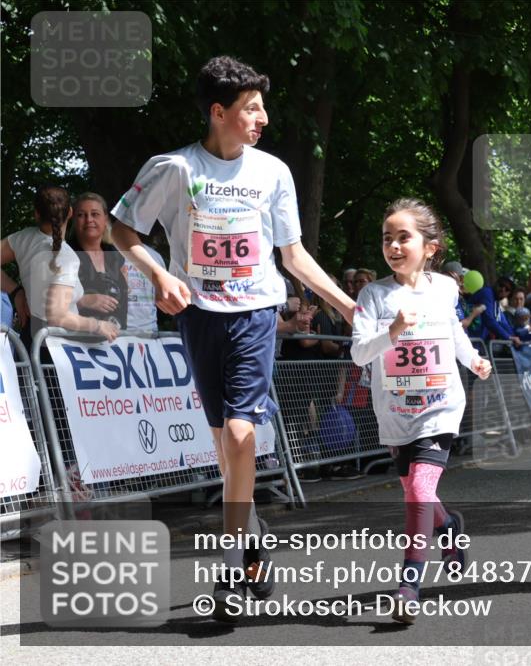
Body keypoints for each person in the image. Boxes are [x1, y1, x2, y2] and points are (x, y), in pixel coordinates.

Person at [109, 56, 355, 623]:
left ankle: (228, 561)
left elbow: (291, 254)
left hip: (255, 314)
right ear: (218, 113)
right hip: (199, 317)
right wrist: (161, 275)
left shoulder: (273, 173)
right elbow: (124, 230)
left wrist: (345, 305)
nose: (262, 117)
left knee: (243, 431)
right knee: (226, 446)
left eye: (262, 106)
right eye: (251, 108)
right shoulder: (173, 168)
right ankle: (251, 533)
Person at [350, 198, 491, 624]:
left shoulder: (445, 288)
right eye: (386, 239)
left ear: (429, 247)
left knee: (417, 491)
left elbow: (452, 332)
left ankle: (409, 585)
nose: (392, 245)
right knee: (418, 490)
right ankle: (447, 527)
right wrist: (393, 330)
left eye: (403, 237)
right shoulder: (373, 295)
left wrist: (473, 360)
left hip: (441, 406)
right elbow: (359, 354)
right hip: (395, 412)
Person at [2, 185, 119, 346]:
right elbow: (57, 316)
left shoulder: (23, 238)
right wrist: (99, 326)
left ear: (36, 214)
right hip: (57, 348)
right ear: (70, 212)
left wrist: (16, 292)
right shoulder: (66, 257)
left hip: (30, 339)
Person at [67, 192, 130, 330]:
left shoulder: (116, 255)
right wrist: (82, 301)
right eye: (81, 215)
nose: (89, 219)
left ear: (105, 219)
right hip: (75, 343)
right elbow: (46, 301)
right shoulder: (65, 253)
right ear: (73, 220)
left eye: (95, 214)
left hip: (115, 342)